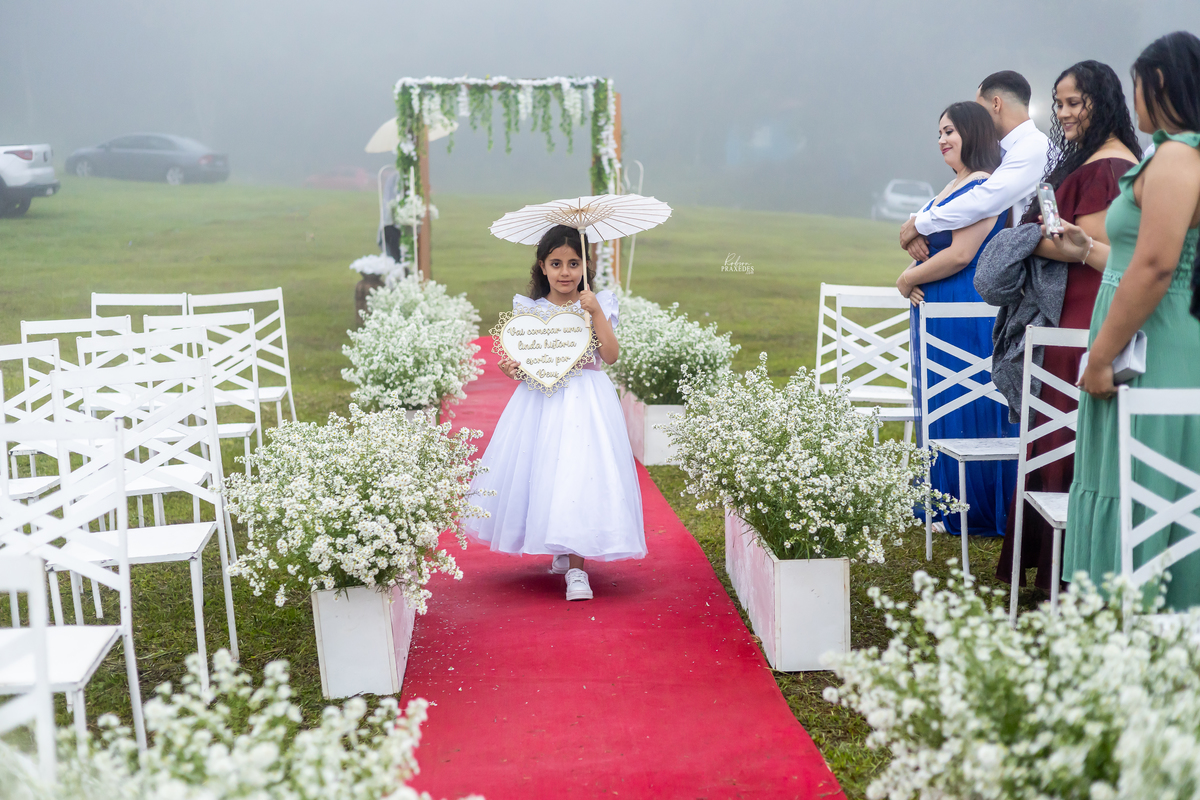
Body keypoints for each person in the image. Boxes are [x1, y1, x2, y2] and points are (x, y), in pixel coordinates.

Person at [1056, 31, 1200, 609]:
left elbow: (1158, 264)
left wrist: (1100, 357)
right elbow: (1132, 256)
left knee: (1149, 480)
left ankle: (1146, 622)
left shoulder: (1178, 156)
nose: (1133, 99)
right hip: (1147, 333)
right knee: (1130, 474)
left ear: (1158, 83)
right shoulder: (1170, 154)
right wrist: (1083, 249)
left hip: (1153, 346)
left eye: (1137, 84)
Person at [995, 60, 1142, 593]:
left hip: (1084, 311)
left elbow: (1102, 251)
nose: (1063, 112)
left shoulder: (1108, 168)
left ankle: (1070, 568)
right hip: (1068, 307)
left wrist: (1038, 237)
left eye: (1073, 102)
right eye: (1058, 103)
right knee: (1054, 431)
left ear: (1100, 102)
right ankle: (1052, 568)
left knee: (1064, 431)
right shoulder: (1087, 158)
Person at [464, 225, 646, 601]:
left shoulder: (597, 304)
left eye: (574, 263)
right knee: (547, 470)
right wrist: (510, 367)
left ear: (585, 265)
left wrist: (595, 312)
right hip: (541, 403)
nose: (566, 272)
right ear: (542, 267)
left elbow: (610, 356)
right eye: (556, 263)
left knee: (580, 472)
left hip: (586, 400)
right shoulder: (531, 312)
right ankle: (561, 546)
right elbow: (518, 357)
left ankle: (578, 571)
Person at [898, 101, 1017, 537]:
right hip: (937, 306)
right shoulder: (952, 186)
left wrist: (904, 279)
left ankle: (976, 500)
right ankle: (941, 494)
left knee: (968, 392)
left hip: (964, 305)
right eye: (939, 133)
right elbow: (929, 238)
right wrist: (911, 241)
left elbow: (962, 253)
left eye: (950, 131)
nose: (943, 140)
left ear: (973, 132)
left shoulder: (984, 185)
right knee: (941, 391)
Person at [899, 71, 1051, 261]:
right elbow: (960, 191)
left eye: (980, 108)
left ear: (996, 104)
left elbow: (986, 198)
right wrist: (917, 222)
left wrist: (921, 224)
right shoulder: (1001, 149)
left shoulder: (1034, 147)